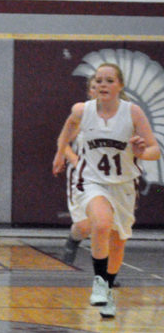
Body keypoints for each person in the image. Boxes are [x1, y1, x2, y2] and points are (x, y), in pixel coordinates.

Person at [52, 63, 159, 318]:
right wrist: (61, 153)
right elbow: (66, 132)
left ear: (120, 86)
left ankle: (108, 289)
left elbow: (154, 150)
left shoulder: (132, 113)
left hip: (123, 185)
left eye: (109, 80)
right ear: (93, 86)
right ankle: (99, 284)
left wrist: (143, 151)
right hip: (91, 180)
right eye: (98, 80)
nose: (103, 84)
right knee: (100, 223)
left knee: (118, 241)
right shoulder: (81, 110)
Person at [58, 75, 97, 265]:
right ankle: (73, 241)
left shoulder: (124, 114)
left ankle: (107, 275)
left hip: (109, 177)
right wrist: (75, 161)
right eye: (95, 85)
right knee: (83, 226)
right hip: (82, 176)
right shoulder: (82, 113)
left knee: (105, 226)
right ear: (90, 91)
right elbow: (63, 143)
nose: (100, 88)